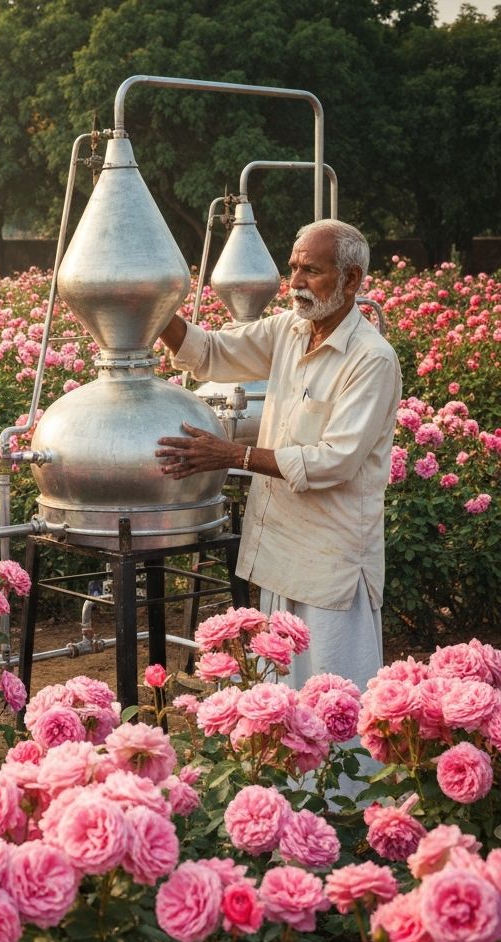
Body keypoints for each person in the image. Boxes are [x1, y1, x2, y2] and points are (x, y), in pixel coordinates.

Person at [155, 218, 402, 692]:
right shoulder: (291, 329)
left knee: (336, 697)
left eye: (312, 271)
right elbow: (211, 353)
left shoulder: (370, 359)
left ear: (351, 280)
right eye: (293, 269)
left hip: (331, 560)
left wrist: (234, 455)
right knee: (283, 695)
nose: (296, 283)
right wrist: (153, 309)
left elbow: (335, 461)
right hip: (281, 550)